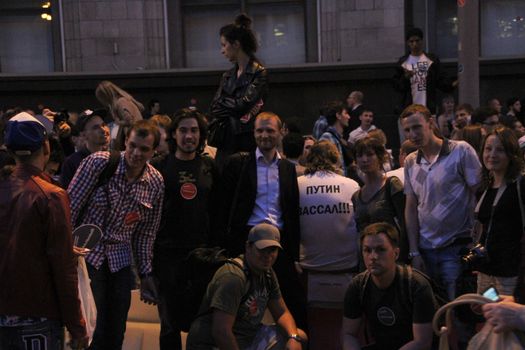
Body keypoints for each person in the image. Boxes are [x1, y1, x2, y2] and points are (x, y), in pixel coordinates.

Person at [68, 120, 164, 350]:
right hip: (87, 256)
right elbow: (68, 210)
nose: (136, 153)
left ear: (154, 151)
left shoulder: (155, 182)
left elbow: (146, 234)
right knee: (91, 328)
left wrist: (146, 272)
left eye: (144, 149)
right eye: (132, 146)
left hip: (120, 261)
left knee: (116, 329)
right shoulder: (98, 163)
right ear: (125, 142)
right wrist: (65, 253)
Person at [0, 112, 88, 349]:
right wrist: (77, 326)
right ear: (46, 147)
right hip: (39, 316)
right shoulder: (51, 196)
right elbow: (62, 268)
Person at [218, 111, 306, 329]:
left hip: (280, 242)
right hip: (247, 241)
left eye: (269, 130)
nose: (264, 135)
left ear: (280, 132)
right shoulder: (239, 164)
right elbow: (223, 206)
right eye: (259, 130)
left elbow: (292, 212)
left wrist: (295, 255)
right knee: (240, 304)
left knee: (294, 304)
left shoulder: (287, 168)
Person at [150, 109, 219, 350]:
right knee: (169, 325)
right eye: (183, 130)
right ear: (173, 135)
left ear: (201, 135)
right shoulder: (159, 166)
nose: (189, 136)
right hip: (167, 255)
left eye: (194, 130)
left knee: (201, 322)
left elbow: (217, 210)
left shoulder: (210, 166)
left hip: (202, 256)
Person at [401, 104, 482, 299]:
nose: (412, 134)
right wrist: (414, 252)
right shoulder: (411, 161)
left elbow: (480, 194)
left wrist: (477, 240)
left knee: (459, 312)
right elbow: (411, 208)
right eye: (407, 130)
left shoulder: (461, 151)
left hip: (456, 247)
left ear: (430, 123)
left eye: (417, 127)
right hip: (425, 249)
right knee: (431, 313)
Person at [187, 223, 307, 350]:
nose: (268, 256)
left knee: (299, 337)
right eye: (262, 249)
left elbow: (282, 313)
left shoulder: (268, 273)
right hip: (212, 344)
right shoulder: (233, 277)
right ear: (248, 247)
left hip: (248, 337)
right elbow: (221, 332)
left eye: (272, 250)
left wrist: (293, 338)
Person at [297, 140, 360, 349]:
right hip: (346, 268)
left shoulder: (298, 184)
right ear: (336, 159)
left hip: (309, 270)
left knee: (316, 331)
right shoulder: (351, 185)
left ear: (310, 158)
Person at [341, 222, 435, 350]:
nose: (373, 257)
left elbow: (422, 342)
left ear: (396, 254)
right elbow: (348, 334)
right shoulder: (358, 286)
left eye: (381, 250)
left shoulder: (416, 285)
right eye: (367, 250)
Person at [210, 13, 268, 170]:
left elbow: (243, 105)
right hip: (225, 141)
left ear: (236, 44)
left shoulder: (258, 72)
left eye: (224, 45)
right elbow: (214, 107)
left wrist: (226, 103)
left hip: (246, 142)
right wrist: (234, 106)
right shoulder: (228, 75)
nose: (222, 50)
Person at [473, 127, 525, 295]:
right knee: (489, 314)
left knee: (507, 318)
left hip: (511, 273)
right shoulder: (485, 186)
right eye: (488, 149)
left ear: (511, 154)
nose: (492, 154)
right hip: (485, 271)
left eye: (500, 150)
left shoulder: (520, 185)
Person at [352, 137, 407, 263]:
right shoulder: (357, 196)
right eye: (359, 156)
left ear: (380, 157)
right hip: (368, 260)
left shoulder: (391, 185)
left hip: (392, 257)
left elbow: (406, 225)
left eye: (370, 154)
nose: (364, 160)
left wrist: (406, 255)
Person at [393, 27, 454, 115]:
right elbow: (397, 86)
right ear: (408, 43)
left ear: (422, 41)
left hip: (428, 107)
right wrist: (405, 78)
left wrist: (452, 84)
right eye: (411, 41)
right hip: (408, 108)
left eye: (417, 41)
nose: (415, 44)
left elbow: (441, 80)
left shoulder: (431, 60)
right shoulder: (403, 63)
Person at [60, 109, 110, 188]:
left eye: (103, 125)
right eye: (96, 128)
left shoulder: (113, 158)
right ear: (83, 135)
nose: (103, 130)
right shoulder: (72, 163)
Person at [95, 80, 144, 151]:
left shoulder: (120, 102)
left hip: (135, 137)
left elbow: (130, 120)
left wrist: (118, 122)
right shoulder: (125, 100)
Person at [319, 101, 351, 176]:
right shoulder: (328, 137)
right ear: (338, 116)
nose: (349, 117)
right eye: (346, 113)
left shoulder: (337, 137)